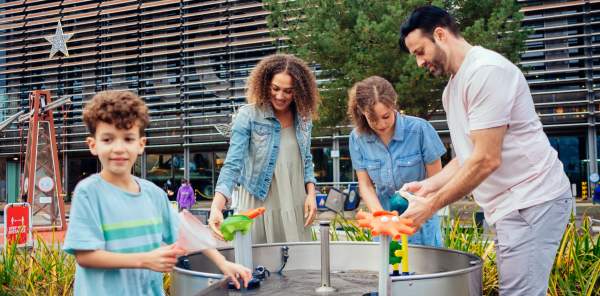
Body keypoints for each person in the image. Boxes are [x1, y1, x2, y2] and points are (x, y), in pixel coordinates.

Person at [398, 6, 573, 296]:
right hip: (508, 207)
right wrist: (427, 186)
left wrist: (431, 206)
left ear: (440, 35)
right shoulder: (451, 89)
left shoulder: (486, 71)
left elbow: (486, 159)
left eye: (419, 51)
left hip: (533, 200)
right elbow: (468, 155)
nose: (418, 62)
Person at [63, 91, 251, 295]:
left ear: (141, 144)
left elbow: (184, 233)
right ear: (93, 145)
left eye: (128, 138)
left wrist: (223, 264)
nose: (118, 148)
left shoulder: (154, 194)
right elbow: (85, 256)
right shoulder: (88, 193)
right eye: (108, 139)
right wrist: (145, 260)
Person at [208, 54, 320, 243]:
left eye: (288, 91)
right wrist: (216, 207)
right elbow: (232, 165)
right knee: (256, 266)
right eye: (275, 88)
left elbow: (306, 161)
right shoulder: (248, 116)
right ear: (265, 83)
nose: (280, 96)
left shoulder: (303, 119)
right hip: (258, 202)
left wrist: (311, 194)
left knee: (297, 266)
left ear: (299, 91)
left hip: (295, 203)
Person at [347, 76, 446, 247]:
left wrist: (416, 210)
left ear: (394, 104)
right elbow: (366, 185)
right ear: (362, 112)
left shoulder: (420, 130)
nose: (380, 124)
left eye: (385, 116)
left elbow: (437, 181)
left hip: (420, 223)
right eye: (372, 119)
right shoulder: (357, 139)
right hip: (385, 228)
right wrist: (381, 217)